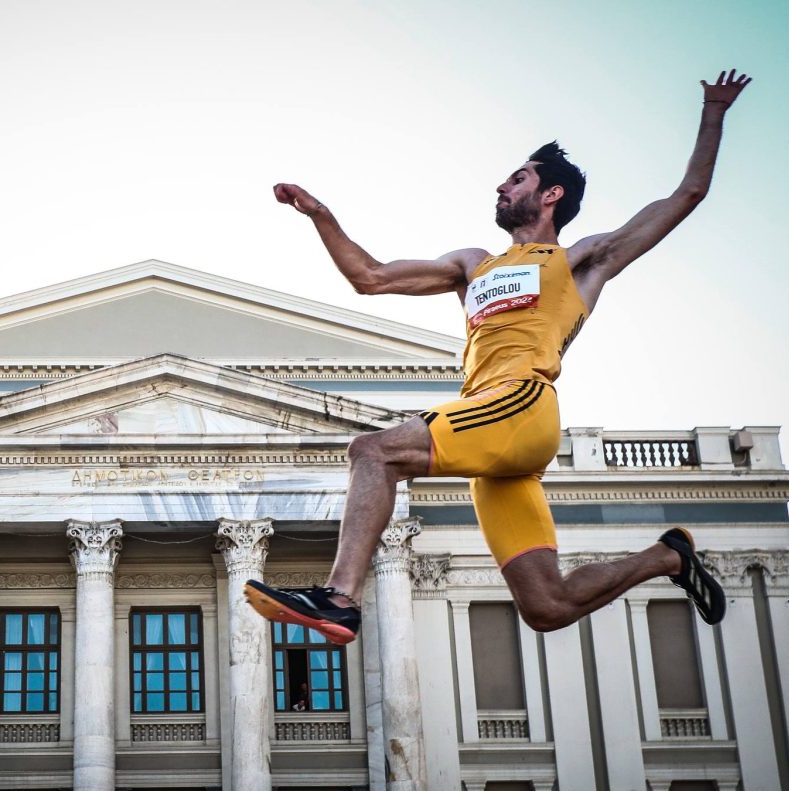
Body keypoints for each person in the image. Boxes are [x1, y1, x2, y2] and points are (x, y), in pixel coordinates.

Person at [244, 70, 752, 645]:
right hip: (494, 439)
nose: (501, 187)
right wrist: (320, 215)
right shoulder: (472, 265)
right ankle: (668, 559)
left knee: (372, 451)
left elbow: (686, 195)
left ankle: (338, 598)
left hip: (523, 402)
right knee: (547, 606)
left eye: (518, 179)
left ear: (551, 193)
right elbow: (370, 277)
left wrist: (714, 111)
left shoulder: (582, 260)